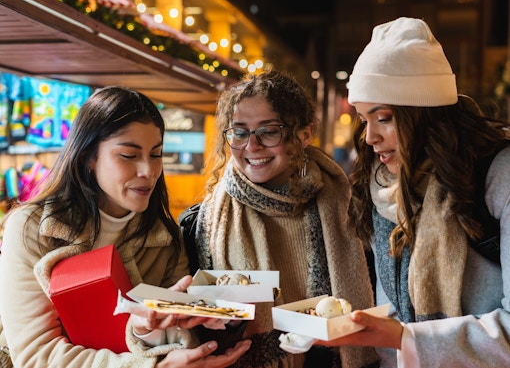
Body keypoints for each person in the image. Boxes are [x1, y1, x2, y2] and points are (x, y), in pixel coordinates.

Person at [0, 86, 251, 368]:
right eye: (129, 156)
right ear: (88, 157)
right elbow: (36, 356)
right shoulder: (31, 228)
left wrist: (151, 330)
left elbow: (183, 338)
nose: (148, 171)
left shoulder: (165, 237)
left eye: (156, 154)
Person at [317, 17, 510, 367]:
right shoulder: (379, 188)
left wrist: (408, 338)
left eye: (385, 117)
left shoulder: (497, 176)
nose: (369, 137)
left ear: (423, 114)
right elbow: (392, 312)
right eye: (363, 119)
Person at [183, 70, 380, 368]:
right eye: (239, 132)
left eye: (269, 131)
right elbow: (199, 333)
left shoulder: (352, 212)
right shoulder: (202, 224)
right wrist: (220, 318)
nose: (252, 146)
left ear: (304, 134)